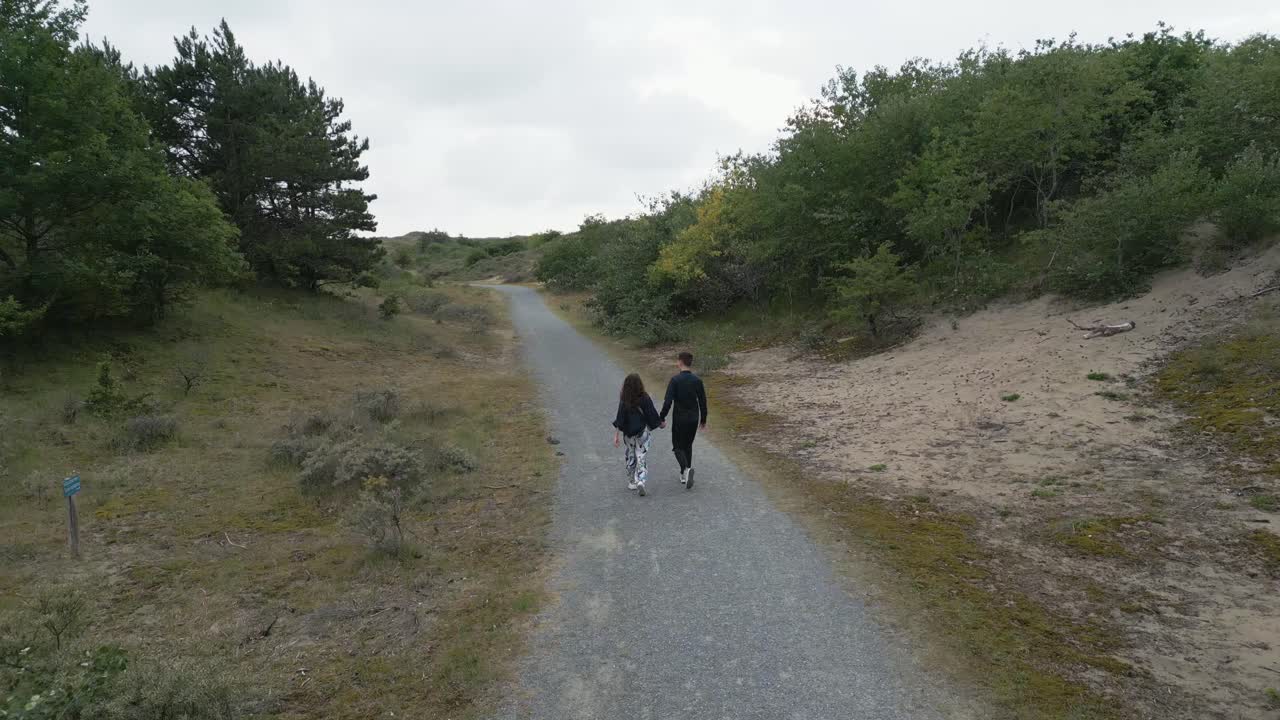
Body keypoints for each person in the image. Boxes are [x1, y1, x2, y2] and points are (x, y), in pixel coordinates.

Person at [659, 351, 707, 489]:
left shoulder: (675, 380)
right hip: (693, 418)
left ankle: (686, 470)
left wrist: (661, 417)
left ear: (680, 362)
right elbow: (703, 401)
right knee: (688, 445)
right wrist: (703, 420)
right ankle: (684, 474)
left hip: (680, 418)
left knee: (677, 446)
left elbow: (668, 401)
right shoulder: (697, 380)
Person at [612, 373, 662, 497]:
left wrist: (616, 435)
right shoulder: (644, 397)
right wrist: (660, 423)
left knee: (630, 455)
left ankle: (632, 481)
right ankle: (641, 480)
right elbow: (651, 413)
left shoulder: (624, 399)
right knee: (641, 456)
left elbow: (620, 418)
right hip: (642, 432)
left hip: (628, 434)